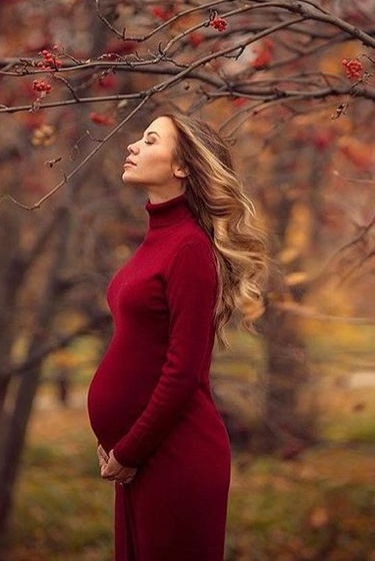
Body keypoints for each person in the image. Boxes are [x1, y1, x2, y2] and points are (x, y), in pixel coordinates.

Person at [86, 110, 269, 560]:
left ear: (182, 165)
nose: (132, 146)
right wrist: (117, 441)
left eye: (149, 141)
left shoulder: (188, 248)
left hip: (174, 457)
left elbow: (184, 371)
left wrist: (129, 448)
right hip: (141, 457)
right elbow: (140, 351)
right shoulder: (158, 240)